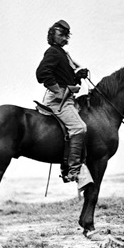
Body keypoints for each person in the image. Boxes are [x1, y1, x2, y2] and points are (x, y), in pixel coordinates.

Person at [36, 20, 89, 182]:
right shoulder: (53, 52)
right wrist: (58, 91)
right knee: (79, 128)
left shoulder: (62, 53)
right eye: (61, 35)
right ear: (52, 36)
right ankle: (72, 171)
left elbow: (64, 76)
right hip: (59, 100)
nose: (65, 38)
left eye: (66, 36)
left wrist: (77, 76)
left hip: (68, 97)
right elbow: (42, 73)